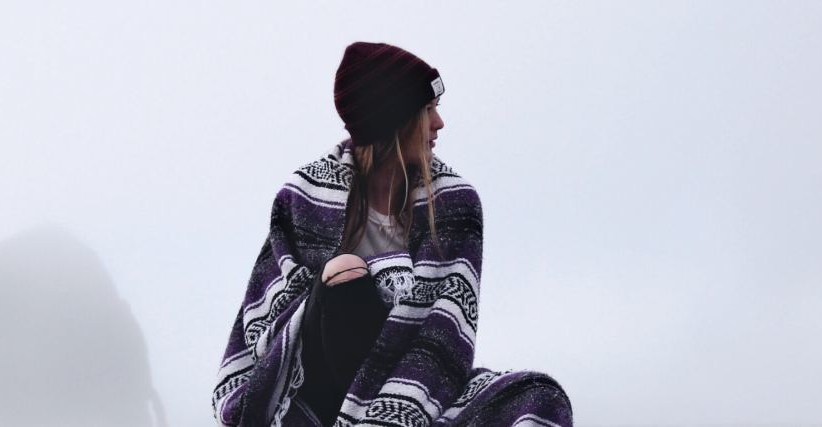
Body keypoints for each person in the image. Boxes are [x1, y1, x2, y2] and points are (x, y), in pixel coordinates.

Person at [211, 42, 572, 426]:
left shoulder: (454, 205)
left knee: (539, 396)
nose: (439, 124)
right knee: (345, 275)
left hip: (418, 379)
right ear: (394, 119)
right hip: (315, 387)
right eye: (428, 110)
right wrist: (354, 283)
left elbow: (445, 330)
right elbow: (267, 313)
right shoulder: (306, 198)